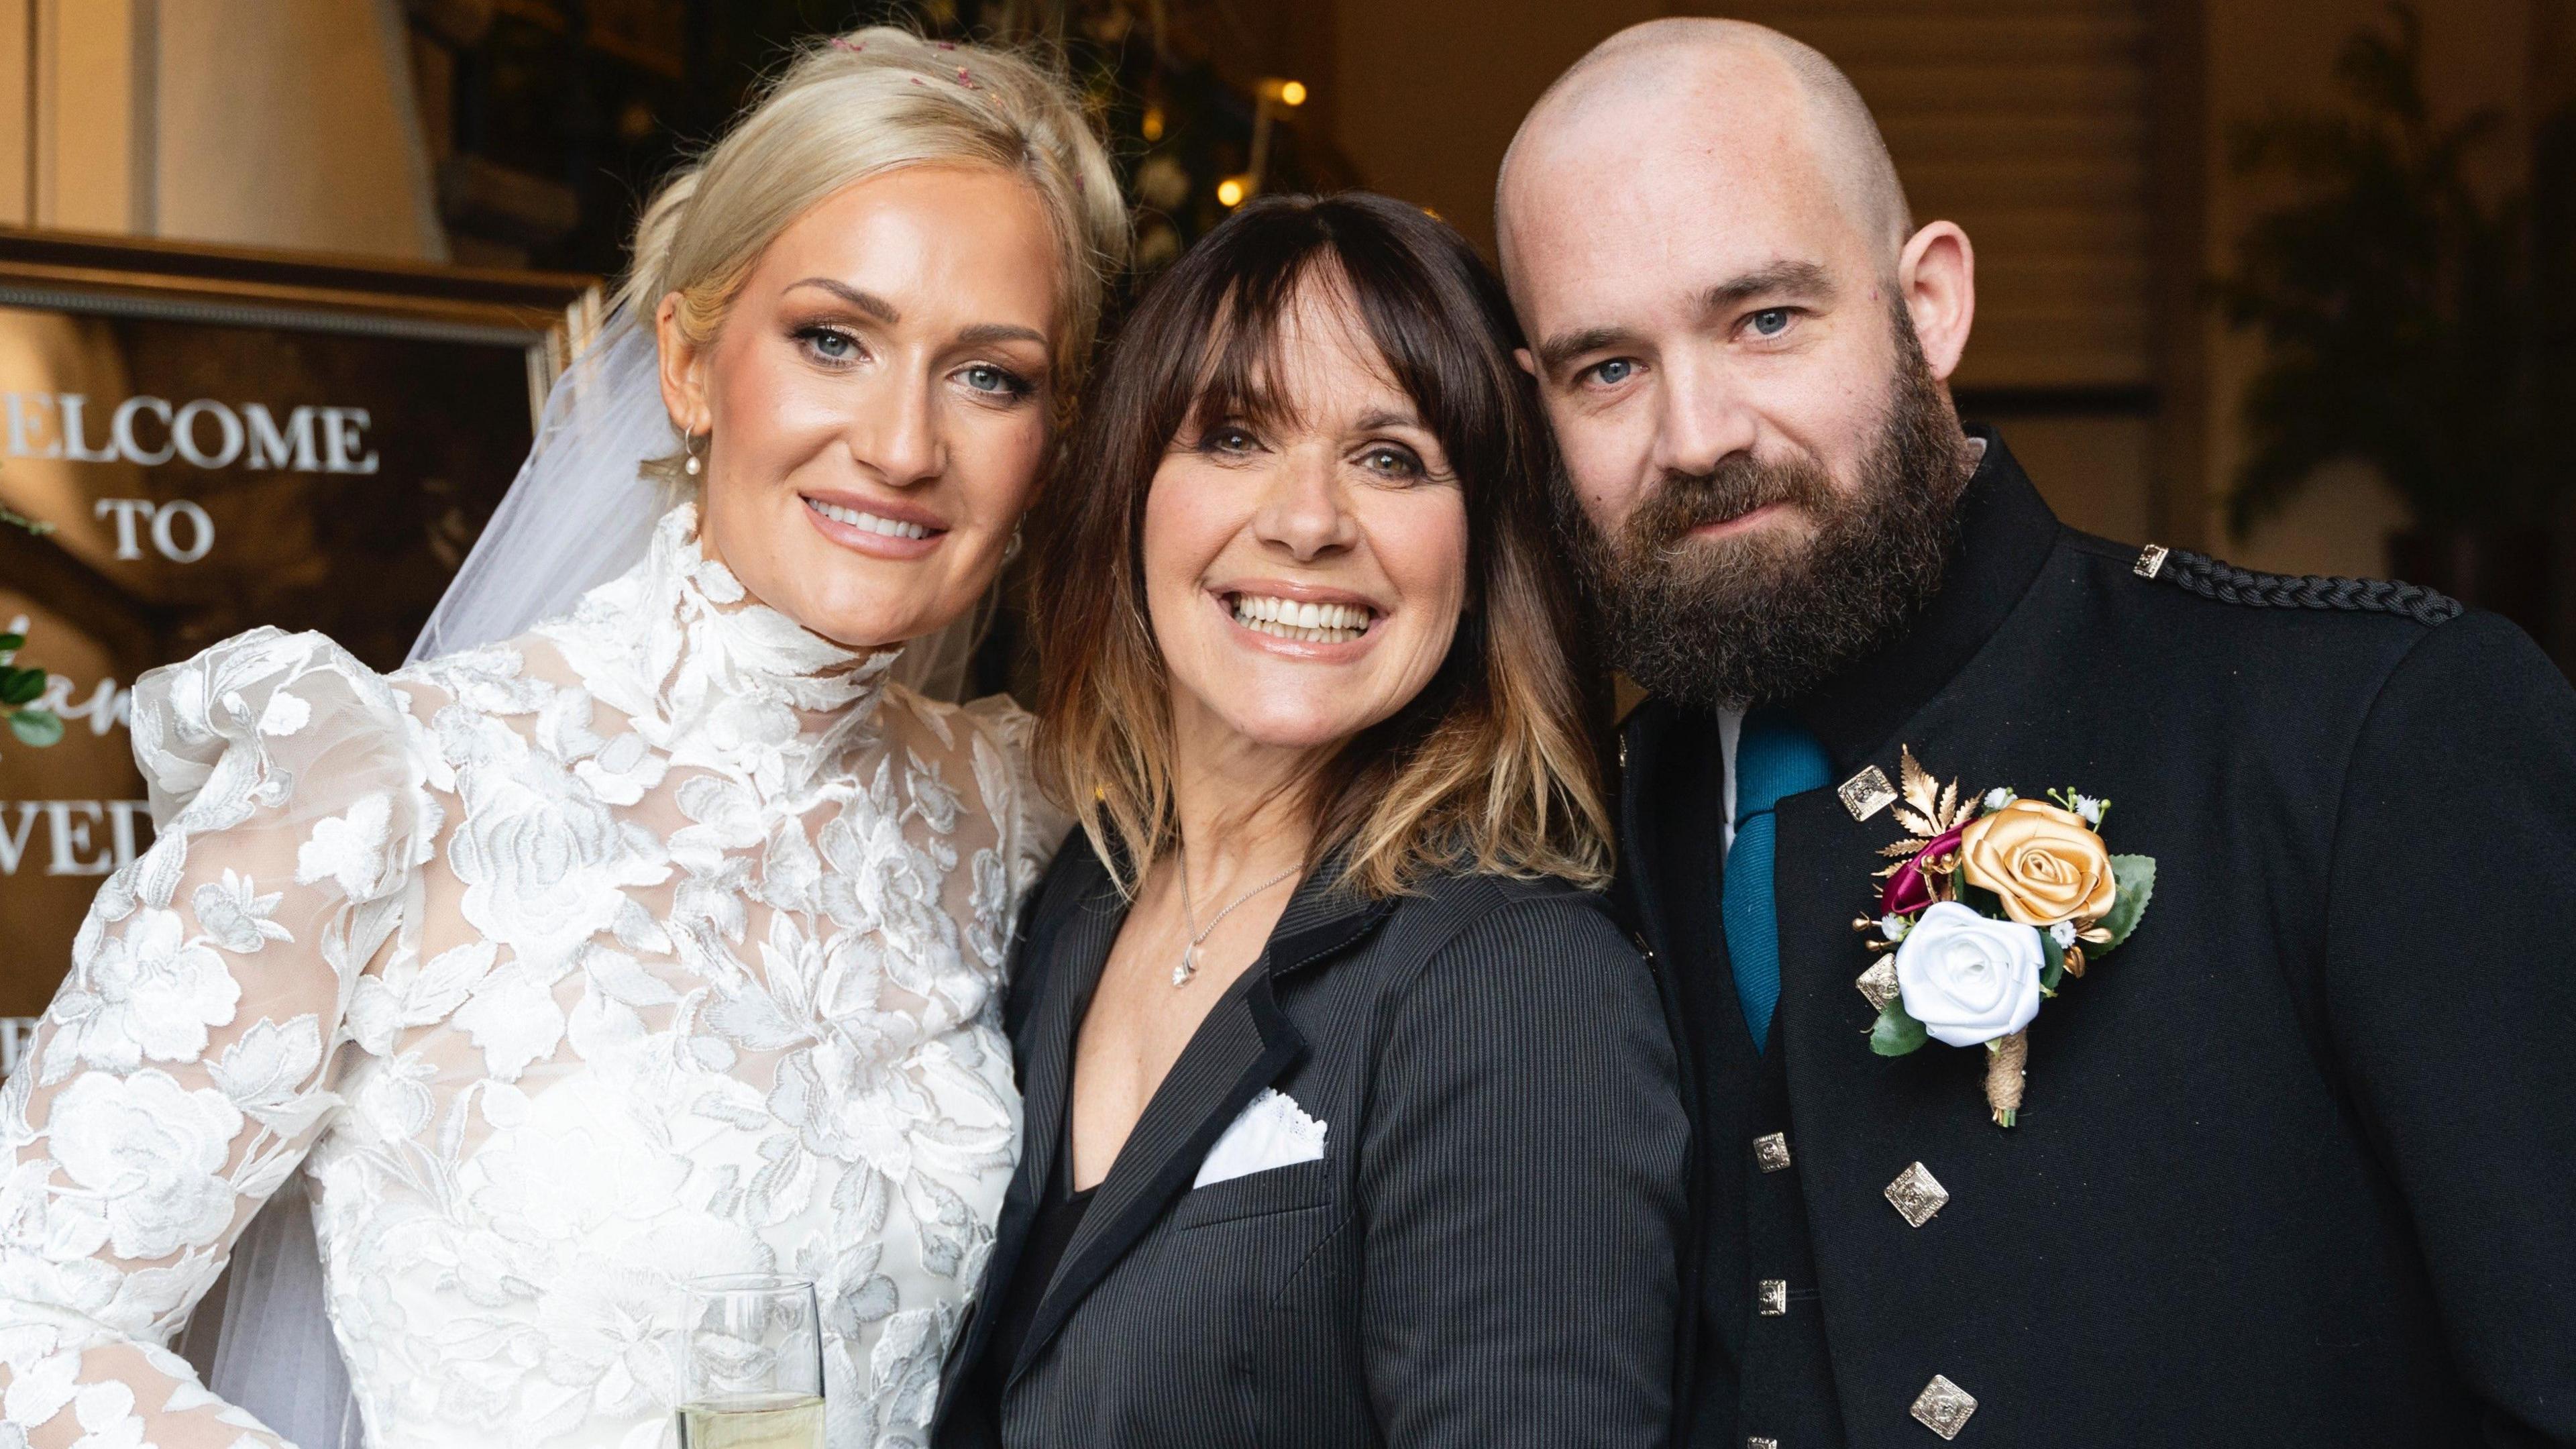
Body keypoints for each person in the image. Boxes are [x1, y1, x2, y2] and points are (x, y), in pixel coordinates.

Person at [0, 28, 1126, 1449]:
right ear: (693, 362)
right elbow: (24, 1318)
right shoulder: (381, 783)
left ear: (1055, 440)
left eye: (991, 377)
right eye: (833, 339)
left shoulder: (1016, 812)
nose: (904, 443)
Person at [1497, 18, 2576, 1449]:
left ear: (1930, 302)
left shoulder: (2370, 730)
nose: (1694, 435)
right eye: (1607, 370)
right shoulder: (1589, 827)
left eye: (1764, 320)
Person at [928, 193, 1688, 1448]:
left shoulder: (1515, 983)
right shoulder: (1079, 894)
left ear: (1485, 546)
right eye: (1232, 437)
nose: (1306, 520)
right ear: (1132, 491)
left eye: (1392, 458)